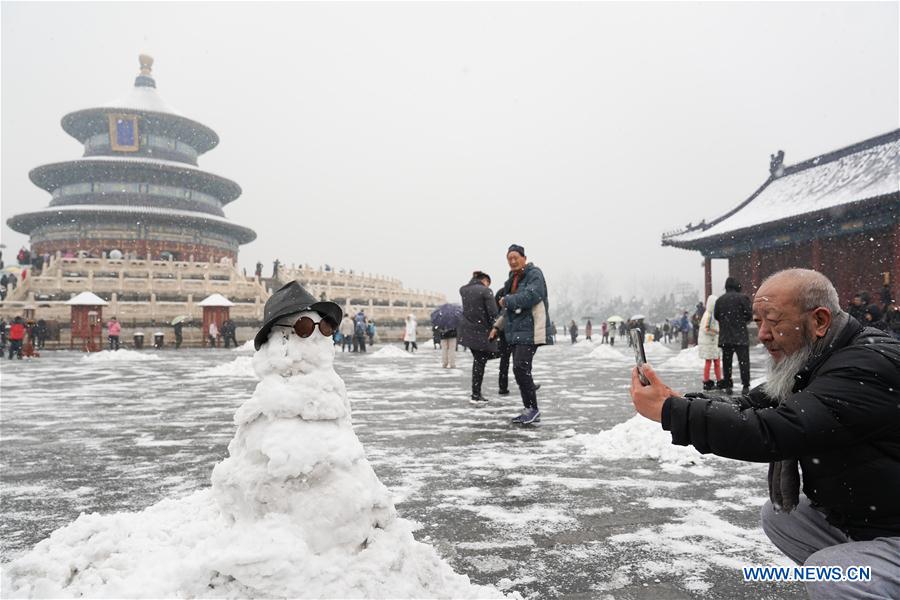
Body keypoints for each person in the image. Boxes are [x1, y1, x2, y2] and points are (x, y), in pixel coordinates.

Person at [629, 268, 900, 600]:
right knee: (782, 517)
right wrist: (677, 402)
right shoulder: (819, 358)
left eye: (774, 321)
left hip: (892, 527)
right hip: (878, 520)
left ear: (819, 321)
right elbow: (752, 404)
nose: (763, 335)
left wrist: (670, 413)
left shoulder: (864, 366)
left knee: (834, 575)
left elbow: (774, 430)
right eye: (758, 321)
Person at [489, 244, 552, 424]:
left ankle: (532, 408)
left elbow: (531, 296)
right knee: (520, 368)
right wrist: (497, 326)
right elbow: (508, 310)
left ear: (524, 258)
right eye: (509, 259)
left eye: (516, 257)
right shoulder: (513, 278)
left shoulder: (534, 274)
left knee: (520, 367)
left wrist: (507, 300)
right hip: (516, 331)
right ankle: (529, 407)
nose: (513, 261)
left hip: (530, 330)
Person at [459, 271, 499, 402]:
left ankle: (476, 392)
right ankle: (476, 394)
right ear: (485, 280)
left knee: (479, 361)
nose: (488, 286)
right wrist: (496, 327)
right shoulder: (486, 291)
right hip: (482, 332)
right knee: (481, 361)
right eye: (488, 283)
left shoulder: (464, 290)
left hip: (469, 332)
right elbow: (493, 313)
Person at [714, 276, 753, 395]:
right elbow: (749, 315)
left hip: (725, 336)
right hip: (740, 335)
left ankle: (728, 384)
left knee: (727, 363)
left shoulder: (720, 300)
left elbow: (716, 316)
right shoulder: (743, 298)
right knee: (744, 362)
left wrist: (726, 322)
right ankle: (745, 385)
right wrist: (741, 321)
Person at [697, 295, 722, 390]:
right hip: (711, 342)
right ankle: (716, 380)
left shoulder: (707, 314)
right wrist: (717, 332)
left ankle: (708, 380)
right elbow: (706, 329)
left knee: (711, 361)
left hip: (709, 342)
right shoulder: (710, 315)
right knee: (714, 362)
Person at [495, 288, 513, 395]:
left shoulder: (501, 292)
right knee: (521, 361)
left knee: (504, 362)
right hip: (512, 332)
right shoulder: (514, 292)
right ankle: (527, 384)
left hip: (504, 333)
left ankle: (503, 386)